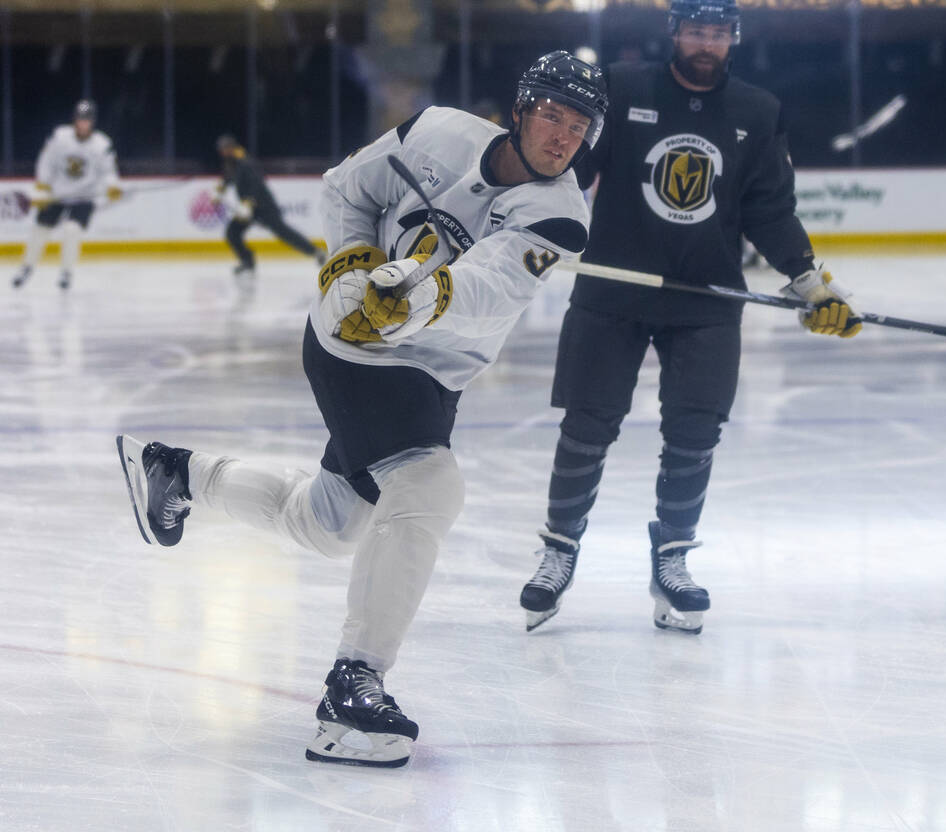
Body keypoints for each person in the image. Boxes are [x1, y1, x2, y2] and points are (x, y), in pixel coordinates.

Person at [116, 51, 608, 768]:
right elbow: (349, 189)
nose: (564, 136)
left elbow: (487, 289)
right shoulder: (435, 132)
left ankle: (178, 473)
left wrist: (421, 296)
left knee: (331, 522)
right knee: (430, 487)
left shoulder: (561, 215)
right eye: (554, 115)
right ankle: (353, 686)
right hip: (354, 344)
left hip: (434, 369)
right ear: (522, 107)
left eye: (581, 126)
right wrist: (348, 265)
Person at [519, 0, 860, 636]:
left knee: (695, 435)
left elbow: (770, 208)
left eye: (719, 33)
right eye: (697, 31)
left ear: (734, 39)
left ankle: (672, 556)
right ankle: (559, 551)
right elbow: (570, 169)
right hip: (611, 289)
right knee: (587, 426)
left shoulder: (756, 112)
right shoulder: (622, 89)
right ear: (674, 33)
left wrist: (810, 281)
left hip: (706, 301)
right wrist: (527, 225)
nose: (708, 43)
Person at [12, 99, 122, 290]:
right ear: (75, 119)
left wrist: (112, 186)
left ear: (92, 121)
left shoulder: (102, 144)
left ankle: (66, 272)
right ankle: (26, 267)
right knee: (40, 229)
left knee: (72, 230)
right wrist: (43, 184)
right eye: (80, 119)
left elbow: (109, 172)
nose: (83, 123)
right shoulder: (59, 137)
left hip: (84, 198)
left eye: (87, 119)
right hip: (58, 194)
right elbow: (46, 161)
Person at [215, 134, 324, 283]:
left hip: (263, 205)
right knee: (232, 232)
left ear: (231, 147)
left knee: (283, 231)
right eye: (221, 149)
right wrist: (219, 191)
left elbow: (256, 183)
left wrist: (249, 202)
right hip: (248, 208)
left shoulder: (244, 161)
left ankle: (316, 252)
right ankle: (247, 261)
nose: (222, 152)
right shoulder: (231, 162)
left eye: (224, 148)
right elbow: (228, 177)